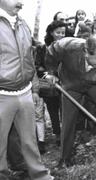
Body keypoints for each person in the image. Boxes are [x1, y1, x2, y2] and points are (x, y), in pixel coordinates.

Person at [44, 35, 96, 167]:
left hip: (93, 85)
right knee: (68, 119)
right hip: (71, 84)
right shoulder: (68, 46)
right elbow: (52, 51)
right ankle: (65, 158)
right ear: (86, 52)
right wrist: (51, 71)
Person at [0, 0, 54, 179]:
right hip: (2, 95)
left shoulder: (23, 24)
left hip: (25, 92)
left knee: (29, 140)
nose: (20, 2)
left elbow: (30, 59)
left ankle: (40, 175)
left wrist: (35, 89)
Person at [35, 20, 67, 149]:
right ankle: (57, 134)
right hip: (49, 86)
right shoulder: (43, 48)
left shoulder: (67, 46)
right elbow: (38, 66)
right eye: (58, 32)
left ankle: (66, 134)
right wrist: (47, 74)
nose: (60, 35)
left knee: (65, 110)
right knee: (53, 110)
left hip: (65, 84)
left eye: (63, 33)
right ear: (51, 33)